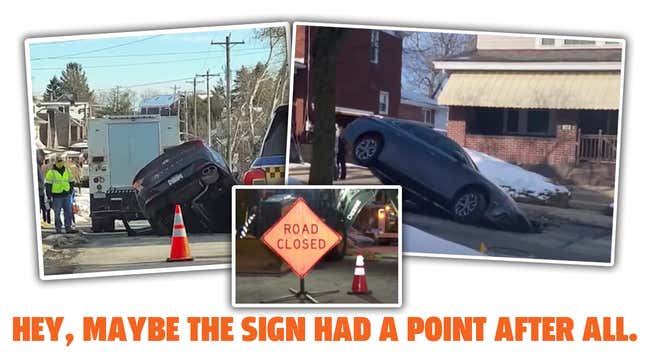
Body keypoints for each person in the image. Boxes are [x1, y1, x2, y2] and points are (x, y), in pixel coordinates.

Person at [45, 156, 78, 234]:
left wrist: (70, 191)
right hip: (56, 196)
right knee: (57, 214)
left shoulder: (67, 170)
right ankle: (58, 229)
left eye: (61, 161)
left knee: (68, 212)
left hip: (66, 194)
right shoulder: (51, 172)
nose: (60, 163)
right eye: (58, 161)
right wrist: (49, 196)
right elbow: (48, 185)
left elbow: (71, 181)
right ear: (55, 163)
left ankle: (68, 228)